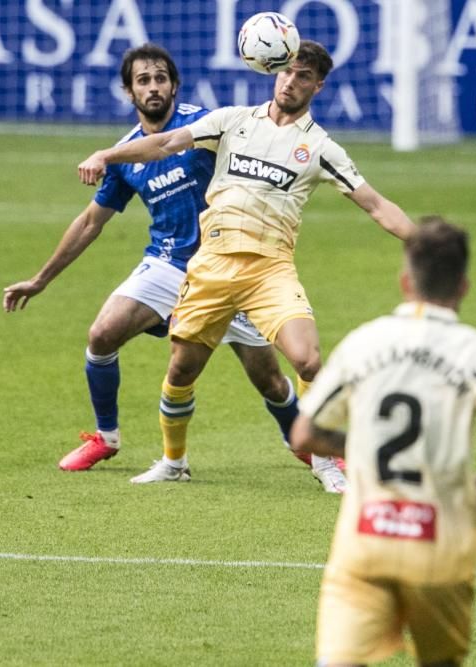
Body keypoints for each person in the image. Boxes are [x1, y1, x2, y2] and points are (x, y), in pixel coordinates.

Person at [76, 40, 417, 486]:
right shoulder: (232, 121)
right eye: (289, 71)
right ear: (274, 69)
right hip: (211, 266)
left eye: (304, 76)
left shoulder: (320, 148)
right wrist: (107, 154)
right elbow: (161, 144)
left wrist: (426, 244)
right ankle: (173, 463)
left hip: (269, 271)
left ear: (319, 85)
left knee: (309, 361)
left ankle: (326, 463)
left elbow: (375, 205)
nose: (292, 81)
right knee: (181, 370)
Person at [1, 44, 333, 487]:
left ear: (174, 85)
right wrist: (40, 280)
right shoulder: (126, 155)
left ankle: (309, 447)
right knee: (101, 334)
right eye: (143, 81)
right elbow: (90, 223)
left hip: (227, 267)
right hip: (167, 263)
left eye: (161, 79)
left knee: (269, 379)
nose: (154, 87)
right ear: (129, 91)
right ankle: (107, 436)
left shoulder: (204, 125)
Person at [289, 218, 476, 666]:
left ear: (404, 281)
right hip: (440, 548)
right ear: (464, 287)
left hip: (365, 542)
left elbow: (304, 434)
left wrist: (359, 445)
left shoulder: (363, 343)